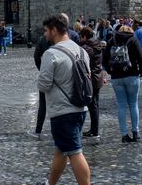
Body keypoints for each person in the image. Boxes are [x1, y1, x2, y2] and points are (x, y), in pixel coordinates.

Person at [37, 14, 92, 185]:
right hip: (80, 108)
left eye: (46, 31)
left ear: (54, 30)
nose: (45, 35)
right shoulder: (82, 51)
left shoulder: (51, 53)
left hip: (62, 112)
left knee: (75, 152)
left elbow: (43, 85)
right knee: (62, 149)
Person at [102, 24, 142, 142]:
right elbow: (141, 57)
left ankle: (124, 134)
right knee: (133, 104)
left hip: (116, 76)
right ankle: (135, 132)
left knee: (121, 105)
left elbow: (104, 58)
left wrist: (110, 71)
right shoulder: (133, 40)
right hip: (132, 75)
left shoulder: (112, 40)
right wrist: (141, 71)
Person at [78, 27, 103, 140]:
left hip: (91, 78)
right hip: (97, 77)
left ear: (84, 36)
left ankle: (94, 130)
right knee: (94, 105)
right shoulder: (97, 45)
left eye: (81, 37)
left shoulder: (87, 48)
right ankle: (94, 129)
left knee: (92, 105)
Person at [29, 31, 52, 140]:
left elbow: (36, 56)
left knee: (43, 104)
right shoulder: (67, 37)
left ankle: (38, 129)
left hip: (46, 74)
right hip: (61, 76)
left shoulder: (43, 39)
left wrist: (42, 69)